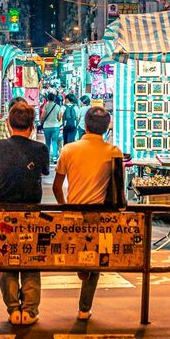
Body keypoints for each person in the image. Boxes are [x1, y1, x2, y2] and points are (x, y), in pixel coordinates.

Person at [52, 106, 123, 321]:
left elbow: (56, 186)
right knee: (95, 263)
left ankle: (81, 269)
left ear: (85, 125)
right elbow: (119, 187)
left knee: (79, 256)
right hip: (100, 214)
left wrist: (65, 207)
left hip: (73, 212)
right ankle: (84, 308)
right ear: (106, 128)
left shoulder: (69, 150)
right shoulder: (114, 151)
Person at [0, 102, 50, 326]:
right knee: (31, 260)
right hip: (31, 214)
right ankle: (30, 311)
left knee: (6, 260)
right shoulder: (40, 149)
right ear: (32, 126)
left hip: (2, 213)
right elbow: (44, 171)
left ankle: (13, 309)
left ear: (8, 123)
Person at [40, 91, 62, 163]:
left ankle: (47, 157)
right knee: (54, 142)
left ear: (47, 98)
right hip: (56, 126)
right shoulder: (58, 106)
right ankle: (55, 157)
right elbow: (59, 118)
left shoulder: (45, 106)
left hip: (47, 127)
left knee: (48, 142)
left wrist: (41, 122)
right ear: (54, 98)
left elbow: (43, 116)